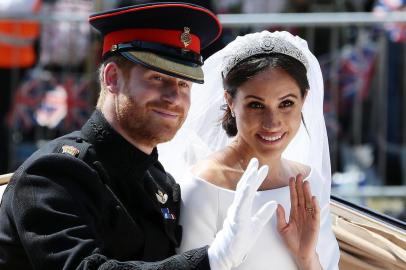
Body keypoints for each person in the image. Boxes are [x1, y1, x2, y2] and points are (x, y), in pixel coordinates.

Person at [0, 3, 278, 269]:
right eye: (158, 79)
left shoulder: (160, 181)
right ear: (112, 78)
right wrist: (213, 260)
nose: (174, 97)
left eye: (184, 84)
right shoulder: (53, 175)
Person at [159, 31, 341, 269]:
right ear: (231, 101)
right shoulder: (204, 186)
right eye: (256, 105)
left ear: (304, 100)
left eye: (286, 103)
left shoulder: (308, 181)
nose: (272, 122)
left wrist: (306, 258)